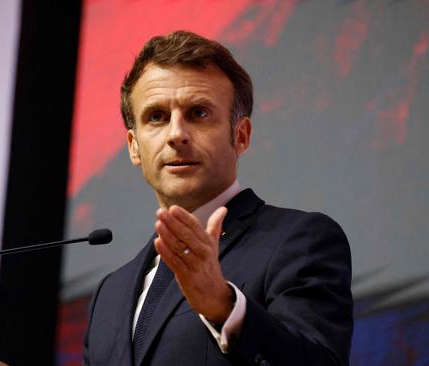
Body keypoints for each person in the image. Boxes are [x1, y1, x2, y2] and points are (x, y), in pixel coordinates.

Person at [83, 31, 353, 366]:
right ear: (134, 146)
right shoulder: (110, 294)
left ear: (240, 136)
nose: (176, 134)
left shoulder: (298, 242)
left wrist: (225, 306)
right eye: (156, 117)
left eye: (198, 113)